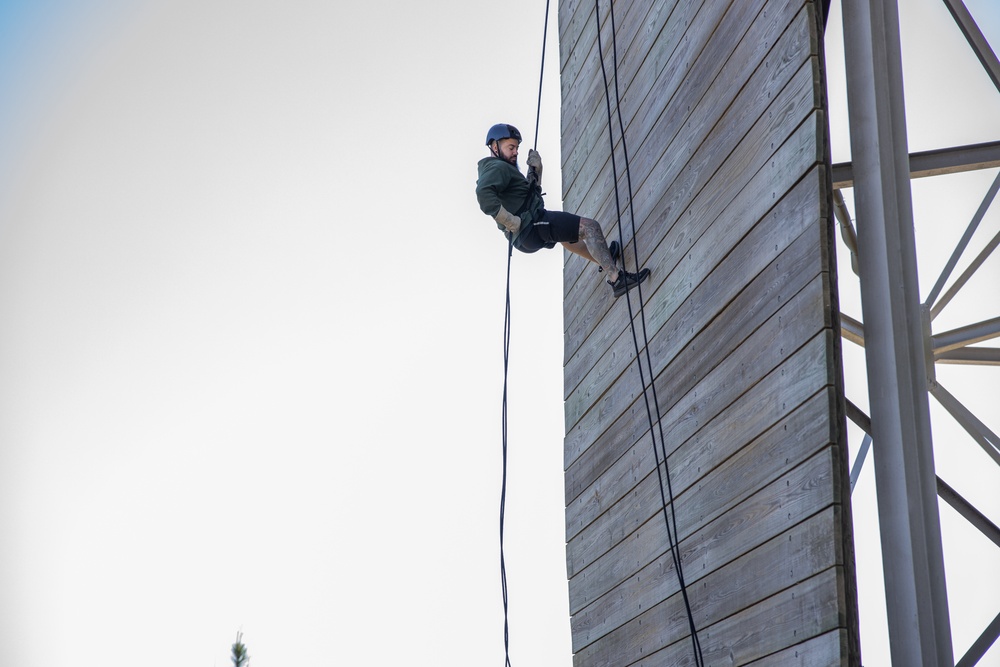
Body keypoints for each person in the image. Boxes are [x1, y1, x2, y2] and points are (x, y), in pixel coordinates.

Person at [476, 123, 650, 298]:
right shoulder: (496, 167)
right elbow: (483, 195)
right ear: (495, 146)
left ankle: (603, 257)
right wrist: (509, 221)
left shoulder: (504, 169)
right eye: (511, 147)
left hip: (526, 233)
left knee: (567, 238)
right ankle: (616, 279)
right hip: (529, 226)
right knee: (590, 227)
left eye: (517, 148)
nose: (516, 152)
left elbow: (528, 196)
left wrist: (536, 171)